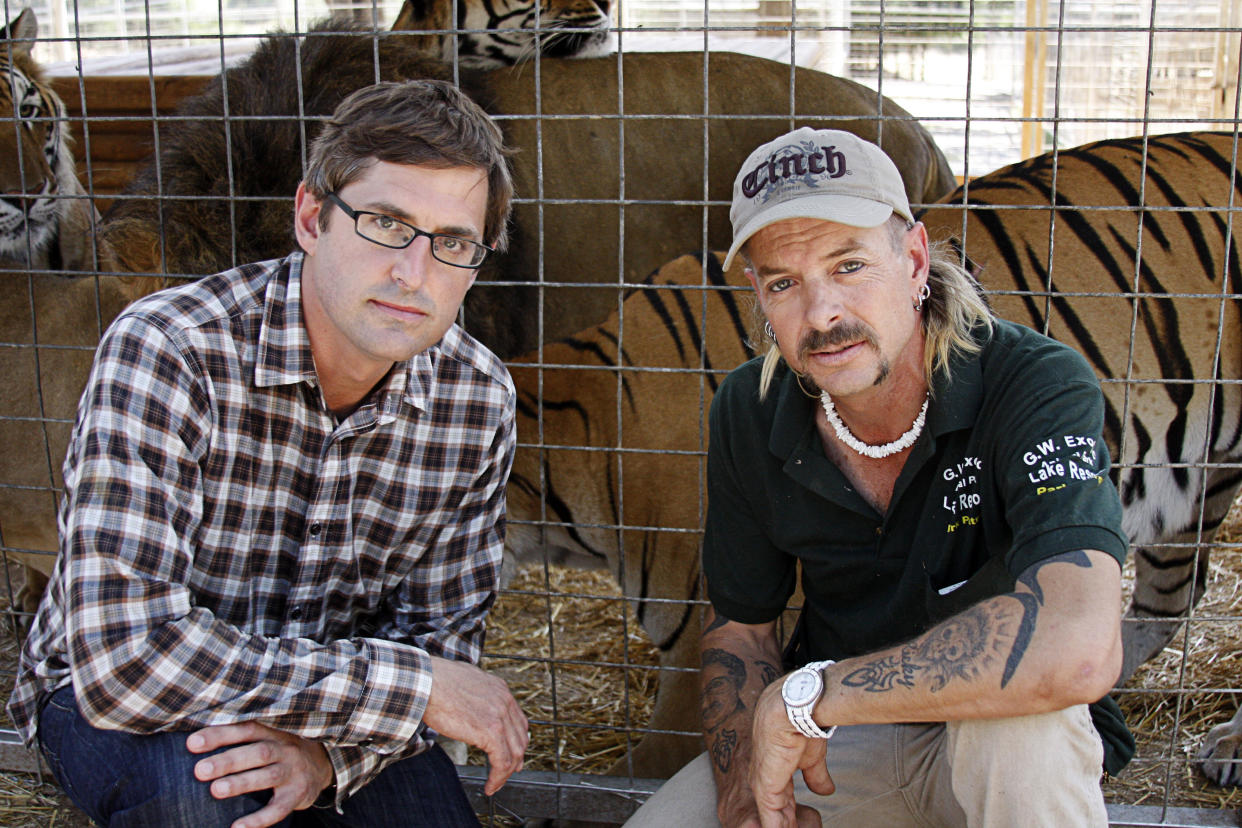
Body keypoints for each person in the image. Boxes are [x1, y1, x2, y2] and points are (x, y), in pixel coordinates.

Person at [8, 79, 528, 828]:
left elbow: (441, 639)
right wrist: (405, 689)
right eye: (385, 222)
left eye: (451, 243)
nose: (414, 274)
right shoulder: (169, 348)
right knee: (202, 800)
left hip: (335, 711)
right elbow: (125, 660)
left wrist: (328, 761)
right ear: (311, 217)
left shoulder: (477, 399)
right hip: (116, 696)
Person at [626, 127, 1131, 827]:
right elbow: (743, 633)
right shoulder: (749, 408)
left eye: (849, 265)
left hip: (996, 734)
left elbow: (1076, 649)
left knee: (1023, 733)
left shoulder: (1034, 382)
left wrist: (813, 695)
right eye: (785, 283)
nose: (823, 313)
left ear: (915, 258)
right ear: (758, 296)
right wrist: (745, 784)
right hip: (840, 747)